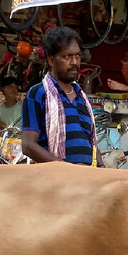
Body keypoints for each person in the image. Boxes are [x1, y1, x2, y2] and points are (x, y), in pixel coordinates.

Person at [21, 26, 98, 165]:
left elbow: (90, 142)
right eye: (67, 56)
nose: (74, 62)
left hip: (86, 180)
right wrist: (64, 168)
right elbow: (28, 146)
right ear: (51, 60)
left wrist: (102, 167)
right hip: (54, 181)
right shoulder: (37, 93)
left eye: (77, 56)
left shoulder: (83, 98)